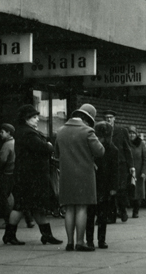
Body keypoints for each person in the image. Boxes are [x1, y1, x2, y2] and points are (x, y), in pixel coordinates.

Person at [2, 104, 62, 246]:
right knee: (23, 206)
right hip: (31, 177)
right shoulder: (27, 133)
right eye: (34, 117)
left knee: (33, 206)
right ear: (26, 119)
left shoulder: (25, 131)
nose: (37, 120)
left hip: (28, 176)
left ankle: (45, 235)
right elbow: (42, 148)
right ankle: (10, 235)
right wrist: (49, 145)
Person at [55, 104, 104, 252]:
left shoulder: (60, 131)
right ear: (87, 119)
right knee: (82, 208)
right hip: (84, 175)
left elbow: (56, 153)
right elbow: (100, 151)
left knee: (69, 208)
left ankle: (69, 242)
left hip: (66, 175)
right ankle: (80, 242)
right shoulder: (87, 131)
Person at [87, 120, 117, 250]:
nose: (100, 139)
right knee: (92, 214)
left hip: (102, 184)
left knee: (101, 215)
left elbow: (115, 170)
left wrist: (113, 187)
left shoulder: (112, 150)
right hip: (98, 184)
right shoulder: (106, 148)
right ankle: (91, 240)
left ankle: (99, 239)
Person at [102, 110, 134, 222]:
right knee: (110, 189)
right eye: (106, 117)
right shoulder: (102, 130)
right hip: (107, 164)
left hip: (121, 164)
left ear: (115, 118)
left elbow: (127, 148)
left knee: (121, 189)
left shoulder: (121, 130)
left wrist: (131, 165)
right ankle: (111, 215)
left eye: (110, 117)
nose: (108, 119)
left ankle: (123, 209)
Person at [0, 123, 16, 229]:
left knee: (4, 197)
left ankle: (8, 220)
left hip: (7, 173)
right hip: (15, 173)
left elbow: (3, 159)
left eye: (2, 132)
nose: (0, 134)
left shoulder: (6, 145)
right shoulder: (15, 143)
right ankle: (29, 219)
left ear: (8, 133)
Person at [127, 126, 146, 218]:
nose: (131, 135)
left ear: (136, 134)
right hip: (128, 170)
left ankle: (136, 211)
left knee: (138, 192)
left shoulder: (141, 143)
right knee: (127, 191)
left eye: (133, 133)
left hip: (139, 171)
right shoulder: (126, 143)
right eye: (130, 133)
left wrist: (144, 172)